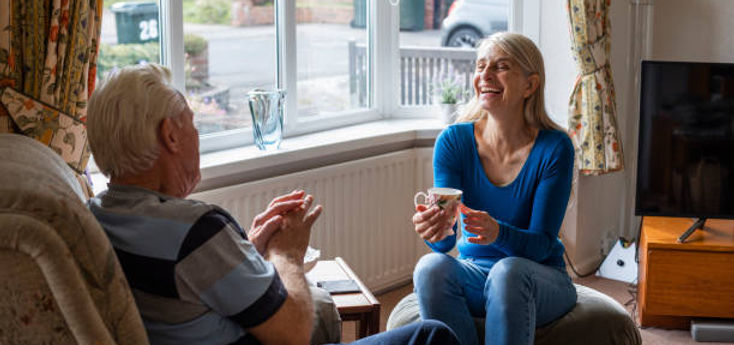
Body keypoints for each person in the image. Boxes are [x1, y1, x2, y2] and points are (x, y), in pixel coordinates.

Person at [86, 63, 460, 345]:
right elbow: (294, 331)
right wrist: (288, 253)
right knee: (430, 336)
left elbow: (187, 287)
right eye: (193, 125)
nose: (197, 136)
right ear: (170, 135)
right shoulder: (197, 228)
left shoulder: (95, 215)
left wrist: (246, 246)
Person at [411, 32, 577, 345]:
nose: (485, 76)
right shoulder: (453, 142)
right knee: (429, 268)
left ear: (530, 85)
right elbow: (445, 245)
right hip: (474, 274)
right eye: (480, 66)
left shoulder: (556, 148)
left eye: (501, 67)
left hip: (540, 278)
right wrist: (435, 230)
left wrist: (498, 232)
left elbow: (542, 245)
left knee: (508, 272)